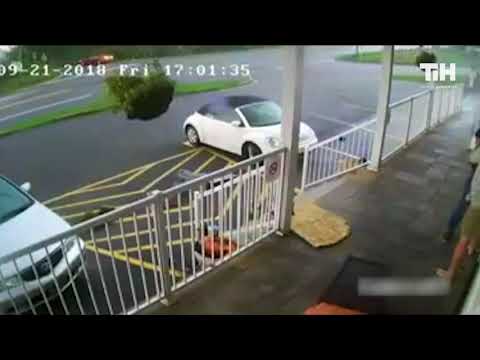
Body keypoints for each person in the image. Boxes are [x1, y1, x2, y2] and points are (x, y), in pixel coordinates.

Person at [437, 158, 480, 282]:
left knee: (463, 239)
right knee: (476, 228)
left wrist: (470, 197)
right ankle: (474, 246)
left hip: (477, 203)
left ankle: (450, 274)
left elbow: (473, 158)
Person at [441, 128, 480, 242]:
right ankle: (451, 231)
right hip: (475, 182)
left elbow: (472, 159)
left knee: (463, 206)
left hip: (474, 181)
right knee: (463, 207)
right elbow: (472, 159)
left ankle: (452, 232)